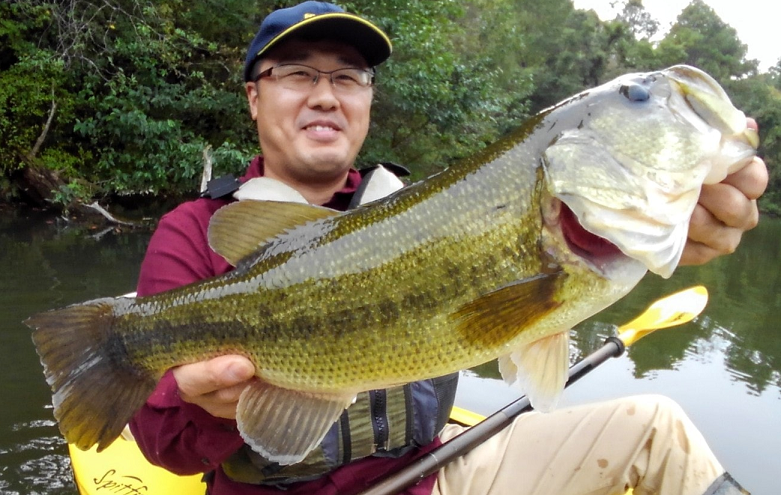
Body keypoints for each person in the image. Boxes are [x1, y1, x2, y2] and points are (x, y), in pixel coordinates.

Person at [129, 2, 767, 494]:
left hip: (436, 475)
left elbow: (552, 284)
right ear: (253, 95)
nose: (325, 94)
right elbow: (162, 445)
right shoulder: (192, 231)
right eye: (297, 73)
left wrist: (675, 224)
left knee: (658, 425)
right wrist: (206, 404)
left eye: (348, 77)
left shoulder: (428, 205)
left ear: (368, 99)